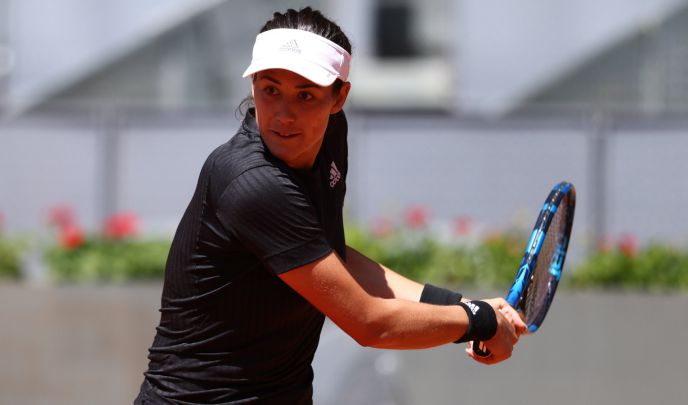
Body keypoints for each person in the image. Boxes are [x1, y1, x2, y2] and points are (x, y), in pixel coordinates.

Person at [134, 7, 526, 405]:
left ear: (339, 97)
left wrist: (462, 307)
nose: (285, 114)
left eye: (306, 94)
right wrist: (478, 320)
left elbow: (330, 258)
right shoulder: (252, 183)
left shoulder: (329, 138)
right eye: (271, 89)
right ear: (253, 86)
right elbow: (370, 324)